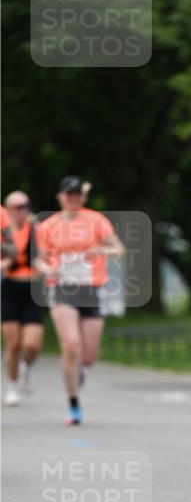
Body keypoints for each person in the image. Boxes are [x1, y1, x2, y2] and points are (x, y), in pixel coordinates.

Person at [34, 176, 124, 425]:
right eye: (68, 194)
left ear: (82, 197)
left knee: (88, 356)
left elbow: (118, 249)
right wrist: (47, 269)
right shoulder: (48, 226)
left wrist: (100, 250)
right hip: (62, 289)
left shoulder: (96, 220)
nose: (73, 198)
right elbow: (39, 260)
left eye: (77, 194)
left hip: (92, 289)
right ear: (60, 197)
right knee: (71, 346)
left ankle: (79, 369)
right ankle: (73, 404)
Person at [1, 191, 44, 405]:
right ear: (8, 210)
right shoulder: (3, 233)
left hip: (32, 289)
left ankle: (25, 367)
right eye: (18, 207)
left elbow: (46, 257)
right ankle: (12, 386)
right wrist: (5, 264)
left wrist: (46, 267)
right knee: (13, 344)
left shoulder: (36, 230)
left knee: (32, 344)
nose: (22, 210)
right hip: (10, 288)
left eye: (25, 206)